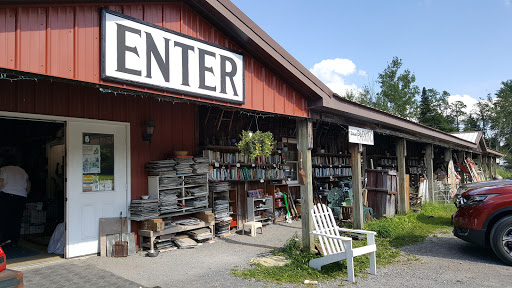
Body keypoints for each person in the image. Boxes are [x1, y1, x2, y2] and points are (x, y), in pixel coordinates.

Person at [0, 156, 31, 246]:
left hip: (7, 196)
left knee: (4, 218)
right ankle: (14, 241)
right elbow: (28, 185)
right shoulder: (22, 171)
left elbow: (1, 183)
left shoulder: (3, 169)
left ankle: (4, 239)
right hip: (21, 197)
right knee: (17, 219)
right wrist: (24, 194)